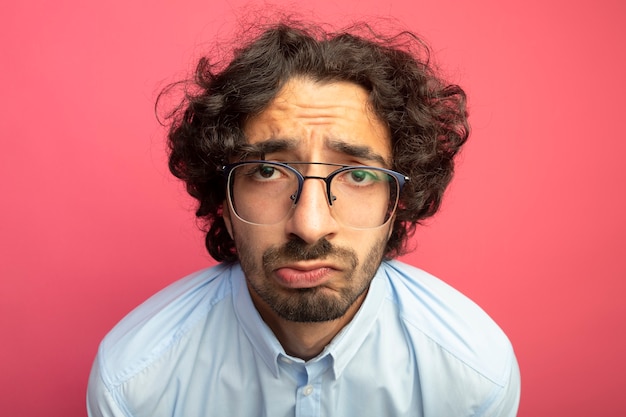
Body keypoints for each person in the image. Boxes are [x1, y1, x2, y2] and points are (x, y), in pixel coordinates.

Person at [87, 19, 520, 417]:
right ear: (224, 200)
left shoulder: (473, 377)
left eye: (358, 174)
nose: (309, 225)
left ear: (398, 201)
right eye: (268, 171)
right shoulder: (134, 383)